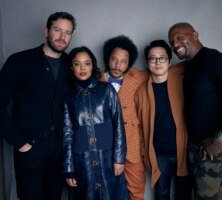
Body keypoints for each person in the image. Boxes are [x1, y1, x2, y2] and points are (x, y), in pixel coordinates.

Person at [168, 22, 222, 199]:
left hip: (214, 150)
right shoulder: (190, 66)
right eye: (171, 42)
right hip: (207, 148)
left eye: (180, 37)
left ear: (195, 35)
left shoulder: (214, 60)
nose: (174, 44)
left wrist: (219, 140)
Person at [0, 12, 76, 200]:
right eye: (57, 30)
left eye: (67, 32)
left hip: (59, 149)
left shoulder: (72, 65)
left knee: (55, 196)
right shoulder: (19, 61)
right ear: (46, 31)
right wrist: (20, 142)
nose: (62, 37)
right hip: (29, 147)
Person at [62, 46, 128, 200]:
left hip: (107, 158)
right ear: (72, 67)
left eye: (87, 63)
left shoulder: (106, 90)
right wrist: (69, 168)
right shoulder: (69, 98)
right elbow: (68, 134)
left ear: (93, 65)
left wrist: (119, 158)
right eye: (77, 64)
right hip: (82, 161)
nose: (82, 68)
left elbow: (118, 124)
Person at [135, 40, 191, 200]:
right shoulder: (141, 92)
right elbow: (139, 126)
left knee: (185, 194)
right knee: (161, 194)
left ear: (170, 61)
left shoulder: (183, 83)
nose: (157, 62)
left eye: (162, 58)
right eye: (153, 58)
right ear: (147, 63)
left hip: (184, 150)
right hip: (159, 154)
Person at [100, 35, 148, 200]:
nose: (117, 65)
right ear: (108, 58)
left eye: (123, 61)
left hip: (131, 148)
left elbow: (163, 69)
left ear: (129, 64)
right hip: (105, 149)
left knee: (136, 193)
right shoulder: (94, 80)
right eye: (114, 59)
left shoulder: (137, 79)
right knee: (106, 192)